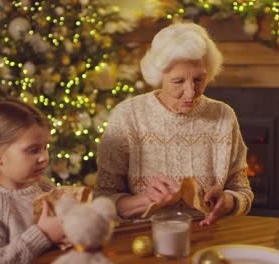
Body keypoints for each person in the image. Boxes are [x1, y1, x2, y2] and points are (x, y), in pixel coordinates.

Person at [94, 22, 253, 226]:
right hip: (143, 237)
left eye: (199, 79)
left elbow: (242, 192)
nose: (190, 92)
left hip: (207, 233)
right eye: (178, 82)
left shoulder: (223, 116)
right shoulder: (127, 116)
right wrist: (146, 200)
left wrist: (228, 202)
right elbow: (102, 201)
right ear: (159, 76)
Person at [0, 99, 65, 263]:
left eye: (45, 147)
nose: (44, 158)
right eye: (33, 150)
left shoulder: (45, 187)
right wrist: (42, 235)